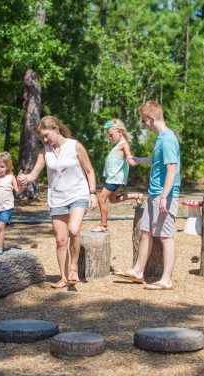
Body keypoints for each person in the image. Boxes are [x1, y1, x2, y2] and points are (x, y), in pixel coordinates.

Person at [17, 116, 98, 289]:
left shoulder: (75, 146)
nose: (45, 140)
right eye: (42, 137)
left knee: (74, 230)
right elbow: (34, 174)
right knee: (61, 240)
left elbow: (90, 171)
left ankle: (74, 268)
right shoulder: (44, 151)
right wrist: (25, 179)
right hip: (57, 198)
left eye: (47, 135)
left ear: (56, 129)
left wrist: (92, 193)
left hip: (78, 194)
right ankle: (63, 277)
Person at [114, 101, 181, 290]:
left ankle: (166, 280)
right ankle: (138, 271)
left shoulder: (168, 139)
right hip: (155, 193)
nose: (144, 124)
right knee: (146, 232)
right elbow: (159, 160)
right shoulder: (161, 138)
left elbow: (172, 170)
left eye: (144, 121)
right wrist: (139, 160)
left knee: (166, 237)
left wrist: (164, 196)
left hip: (164, 194)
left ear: (151, 119)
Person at [90, 119, 145, 233]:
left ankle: (103, 224)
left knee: (101, 199)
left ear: (119, 131)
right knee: (113, 199)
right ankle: (137, 195)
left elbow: (130, 159)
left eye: (111, 135)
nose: (110, 138)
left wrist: (136, 160)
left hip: (115, 179)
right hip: (113, 178)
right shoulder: (119, 145)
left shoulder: (124, 144)